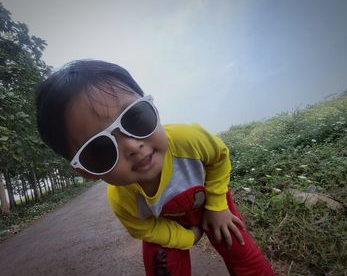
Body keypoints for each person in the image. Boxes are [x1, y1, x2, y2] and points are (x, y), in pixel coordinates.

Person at [36, 60, 275, 276]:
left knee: (240, 249)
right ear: (87, 171)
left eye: (134, 117)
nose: (132, 146)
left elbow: (219, 158)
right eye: (99, 149)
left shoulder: (187, 139)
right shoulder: (123, 200)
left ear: (154, 110)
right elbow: (145, 228)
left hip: (210, 198)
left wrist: (217, 206)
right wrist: (187, 237)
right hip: (163, 224)